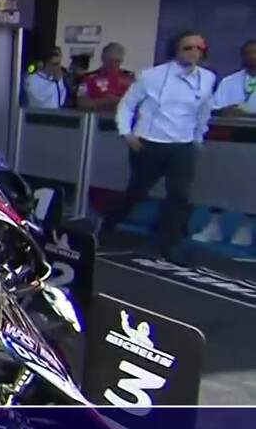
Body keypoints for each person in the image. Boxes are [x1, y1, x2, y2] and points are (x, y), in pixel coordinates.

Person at [100, 31, 217, 262]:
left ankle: (170, 245)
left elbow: (204, 111)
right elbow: (127, 104)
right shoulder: (151, 76)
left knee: (179, 195)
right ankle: (108, 225)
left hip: (183, 146)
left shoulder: (208, 78)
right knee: (137, 192)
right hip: (149, 143)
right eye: (188, 48)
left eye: (199, 48)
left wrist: (198, 138)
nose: (194, 52)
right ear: (175, 50)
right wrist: (126, 133)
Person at [191, 38, 256, 247]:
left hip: (253, 138)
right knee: (220, 179)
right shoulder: (230, 81)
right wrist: (226, 111)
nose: (252, 57)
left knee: (251, 183)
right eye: (248, 53)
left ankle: (246, 226)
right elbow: (213, 107)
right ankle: (214, 225)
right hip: (230, 137)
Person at [76, 42, 133, 112]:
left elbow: (139, 102)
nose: (113, 64)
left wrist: (119, 101)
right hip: (98, 116)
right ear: (103, 59)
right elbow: (81, 103)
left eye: (117, 61)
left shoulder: (129, 78)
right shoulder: (89, 78)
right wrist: (105, 102)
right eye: (110, 60)